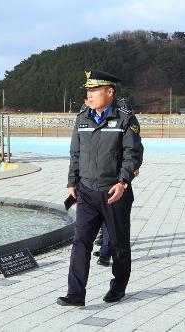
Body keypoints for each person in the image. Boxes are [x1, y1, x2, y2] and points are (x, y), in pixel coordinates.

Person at [57, 70, 143, 306]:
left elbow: (133, 154)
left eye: (94, 91)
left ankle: (118, 287)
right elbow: (75, 153)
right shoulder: (82, 117)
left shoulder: (125, 118)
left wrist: (123, 181)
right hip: (85, 191)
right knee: (80, 241)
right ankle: (76, 293)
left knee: (118, 243)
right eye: (87, 91)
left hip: (114, 192)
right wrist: (72, 182)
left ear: (109, 92)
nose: (89, 95)